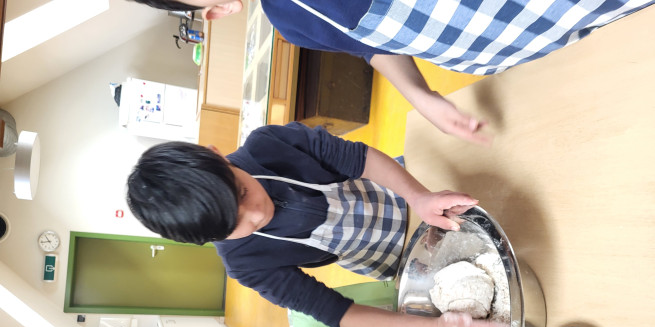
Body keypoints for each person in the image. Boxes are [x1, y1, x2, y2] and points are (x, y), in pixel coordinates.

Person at [127, 122, 508, 327]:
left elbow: (358, 158)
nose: (257, 213)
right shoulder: (245, 263)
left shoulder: (268, 146)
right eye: (234, 225)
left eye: (242, 192)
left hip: (407, 195)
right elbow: (338, 312)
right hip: (395, 260)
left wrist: (419, 196)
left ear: (217, 154)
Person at [130, 0, 653, 145]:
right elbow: (373, 46)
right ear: (215, 11)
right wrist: (423, 98)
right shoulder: (289, 22)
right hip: (505, 44)